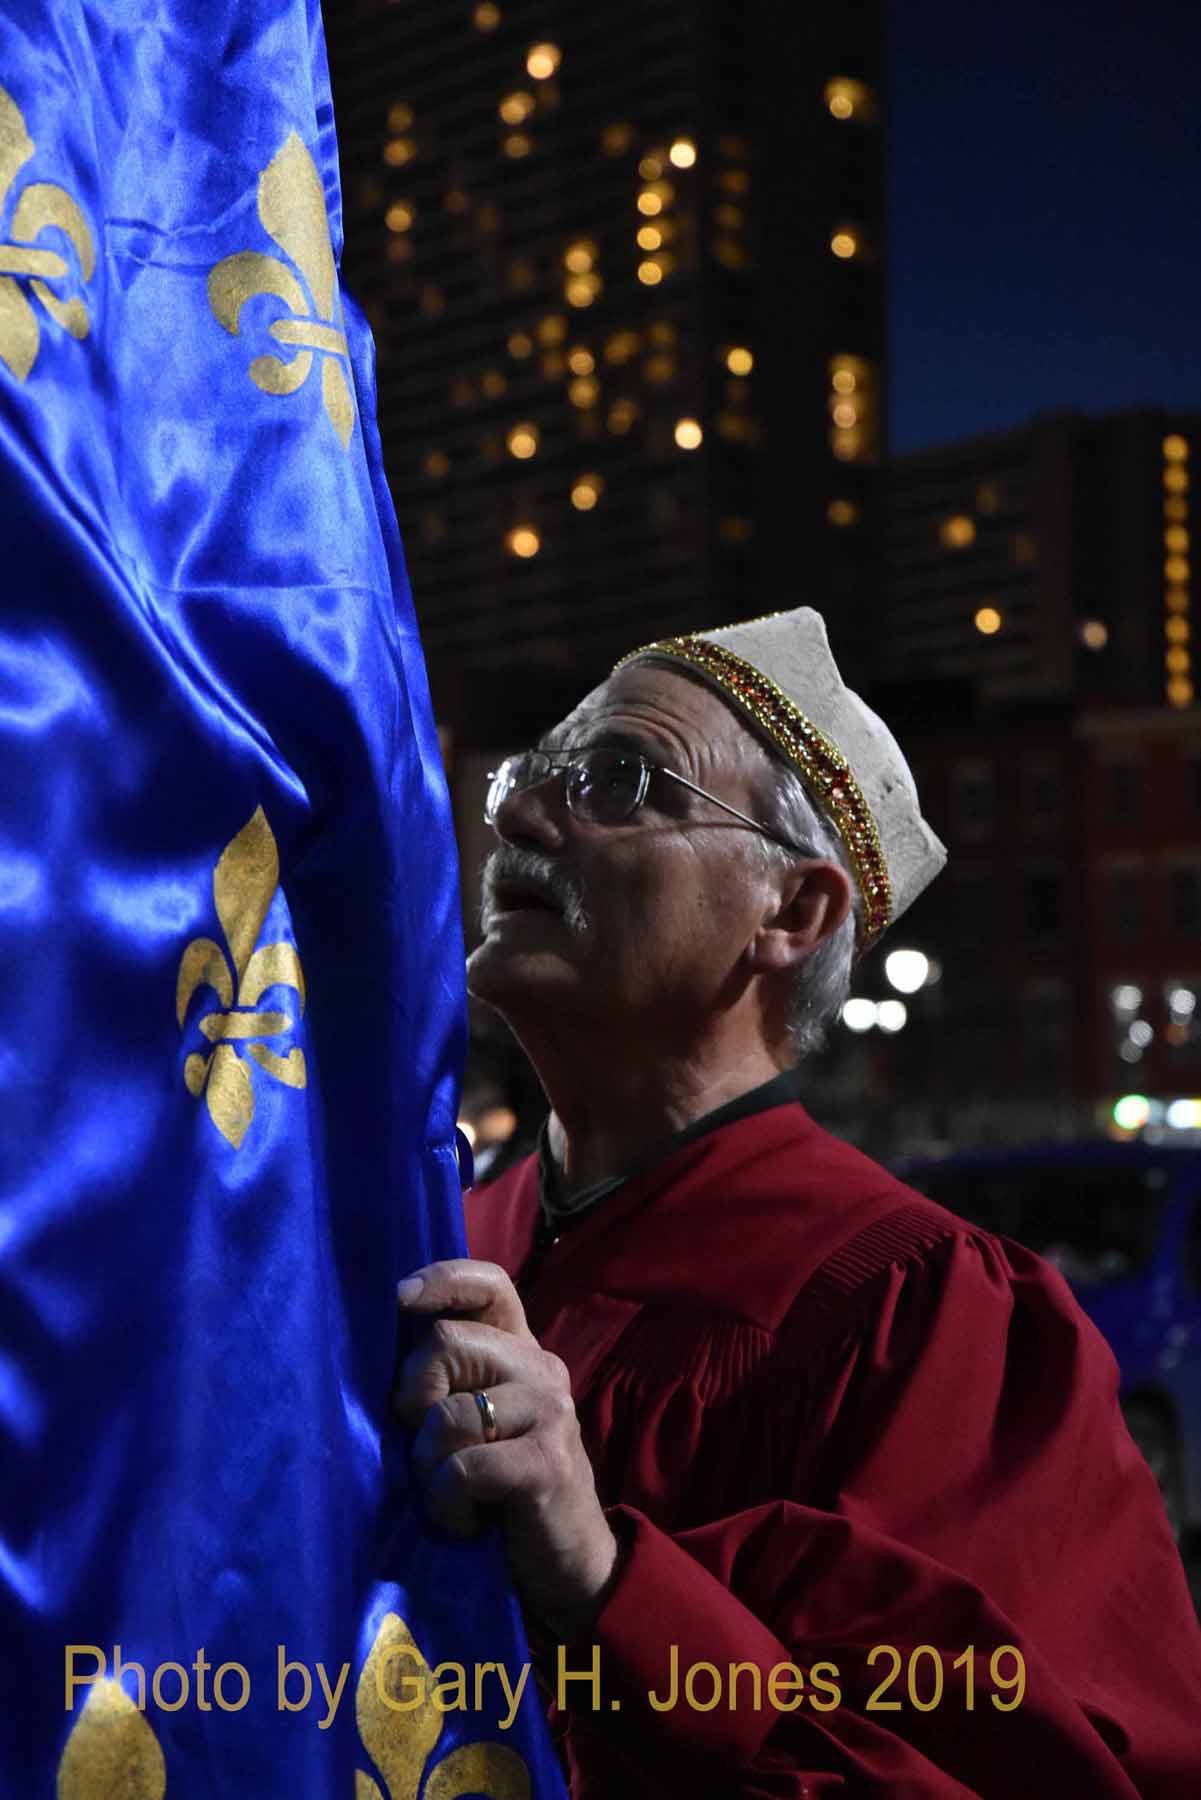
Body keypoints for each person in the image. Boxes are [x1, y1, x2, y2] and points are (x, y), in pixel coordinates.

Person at [393, 608, 1201, 1798]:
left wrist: (609, 1587)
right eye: (529, 775)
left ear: (793, 914)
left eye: (618, 780)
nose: (513, 816)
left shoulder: (926, 1315)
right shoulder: (442, 1245)